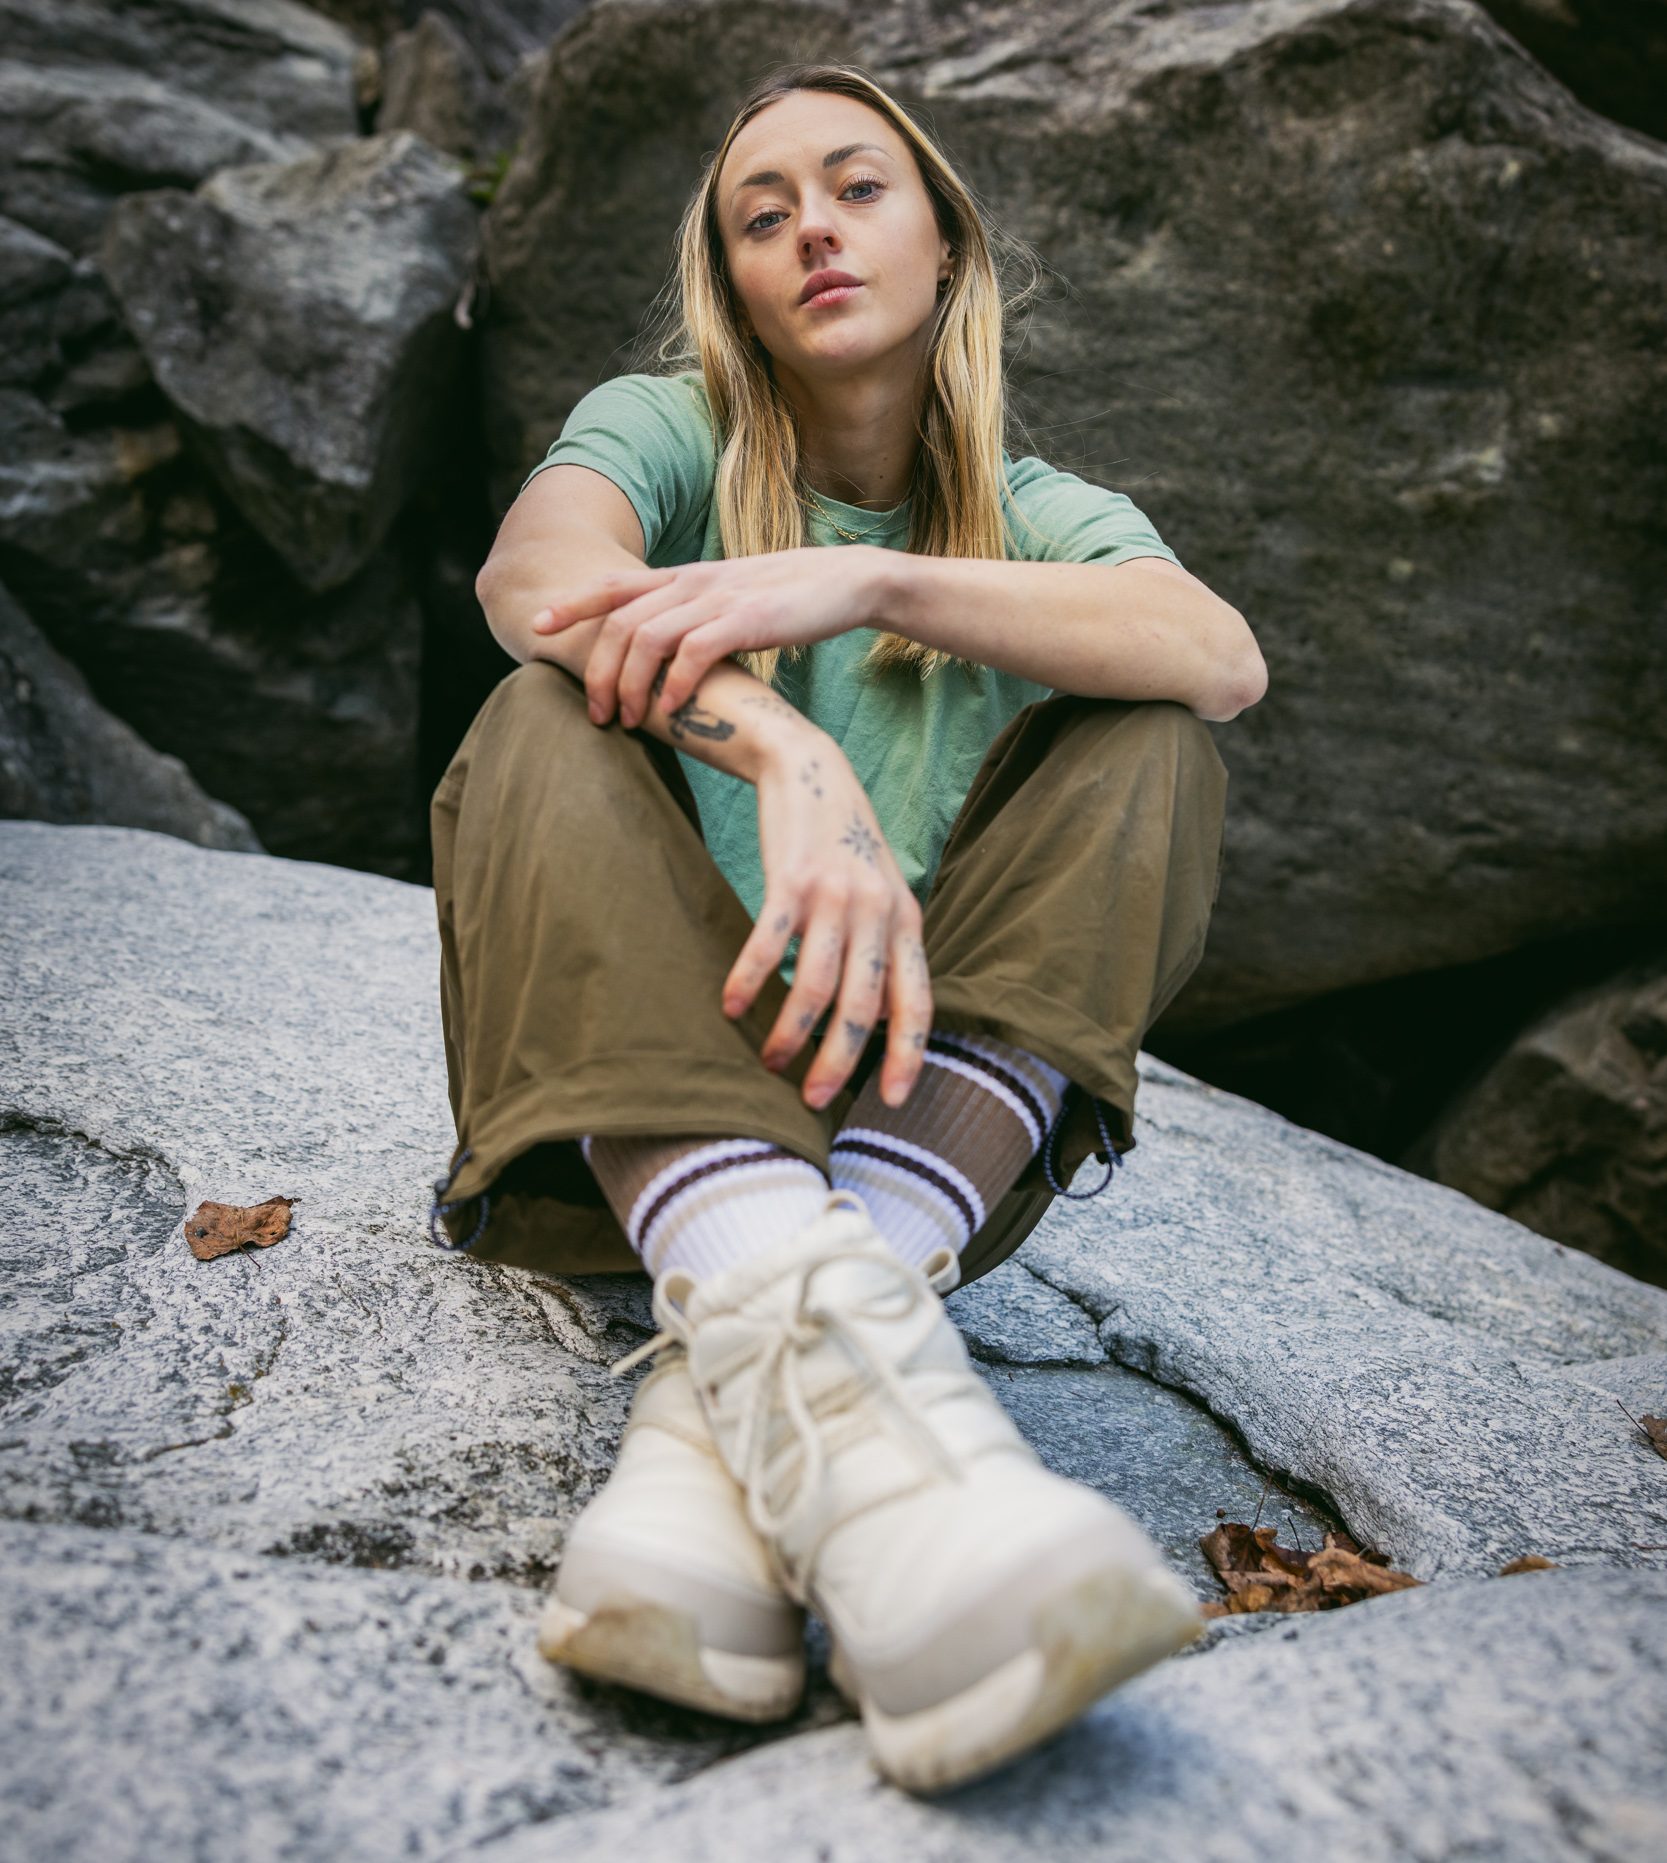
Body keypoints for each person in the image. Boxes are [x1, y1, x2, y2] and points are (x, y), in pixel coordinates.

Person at [432, 61, 1264, 1796]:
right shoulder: (668, 437)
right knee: (536, 714)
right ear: (733, 284)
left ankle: (733, 1434)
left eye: (858, 187)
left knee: (1152, 737)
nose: (810, 223)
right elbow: (538, 584)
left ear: (947, 246)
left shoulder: (1038, 523)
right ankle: (826, 1371)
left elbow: (1218, 655)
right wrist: (786, 747)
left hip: (916, 1120)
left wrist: (869, 581)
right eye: (762, 211)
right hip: (642, 1098)